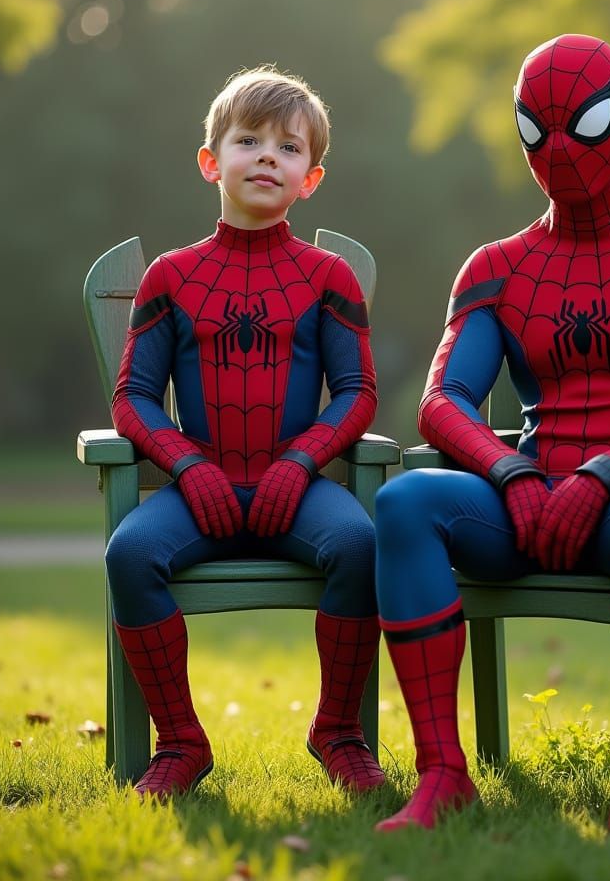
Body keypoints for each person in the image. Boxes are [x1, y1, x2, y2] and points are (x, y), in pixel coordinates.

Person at [374, 35, 610, 831]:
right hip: (528, 505)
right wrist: (510, 475)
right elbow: (443, 401)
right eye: (533, 128)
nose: (555, 151)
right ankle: (443, 771)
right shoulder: (497, 266)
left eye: (577, 125)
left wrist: (607, 474)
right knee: (406, 501)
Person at [106, 66, 383, 800]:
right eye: (249, 140)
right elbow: (134, 396)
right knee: (130, 555)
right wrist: (187, 468)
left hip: (299, 489)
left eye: (288, 148)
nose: (267, 156)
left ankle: (338, 731)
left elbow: (357, 392)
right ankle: (181, 742)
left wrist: (301, 463)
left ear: (310, 178)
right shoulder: (173, 276)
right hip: (200, 489)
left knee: (361, 545)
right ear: (211, 162)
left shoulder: (329, 278)